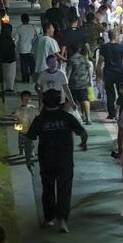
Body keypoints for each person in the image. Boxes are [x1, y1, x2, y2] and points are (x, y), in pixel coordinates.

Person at [26, 89, 88, 233]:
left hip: (46, 160)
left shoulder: (40, 119)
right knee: (64, 190)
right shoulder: (66, 117)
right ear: (59, 101)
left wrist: (28, 158)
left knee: (47, 189)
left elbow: (29, 140)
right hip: (65, 160)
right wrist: (83, 144)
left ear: (44, 101)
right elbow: (83, 132)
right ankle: (62, 221)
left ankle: (49, 218)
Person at [98, 29, 123, 122]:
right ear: (116, 36)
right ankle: (121, 112)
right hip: (119, 73)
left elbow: (99, 62)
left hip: (108, 73)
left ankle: (111, 114)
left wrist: (98, 74)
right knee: (122, 93)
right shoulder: (120, 47)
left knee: (110, 94)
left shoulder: (104, 47)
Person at [66, 46, 93, 125]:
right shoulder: (84, 58)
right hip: (84, 83)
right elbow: (88, 70)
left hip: (73, 83)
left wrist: (66, 83)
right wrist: (89, 80)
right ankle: (88, 118)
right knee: (85, 100)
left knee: (69, 101)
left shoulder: (71, 59)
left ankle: (64, 117)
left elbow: (69, 72)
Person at [13, 90, 38, 171]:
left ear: (30, 99)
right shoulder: (18, 109)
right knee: (21, 141)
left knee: (30, 142)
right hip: (22, 129)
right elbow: (15, 118)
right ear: (21, 99)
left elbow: (37, 116)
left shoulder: (33, 108)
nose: (26, 101)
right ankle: (21, 150)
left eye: (27, 99)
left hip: (31, 129)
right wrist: (16, 121)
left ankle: (30, 152)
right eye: (24, 99)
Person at [15, 13, 38, 83]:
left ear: (21, 20)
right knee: (32, 65)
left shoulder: (19, 28)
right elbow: (36, 37)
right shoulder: (32, 27)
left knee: (24, 66)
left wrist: (15, 48)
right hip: (31, 50)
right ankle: (34, 78)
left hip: (23, 50)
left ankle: (25, 80)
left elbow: (16, 39)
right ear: (28, 19)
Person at [0, 24, 17, 94]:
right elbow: (12, 47)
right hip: (10, 59)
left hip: (3, 58)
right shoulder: (8, 38)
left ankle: (7, 87)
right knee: (11, 74)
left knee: (6, 73)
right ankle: (9, 88)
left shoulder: (0, 37)